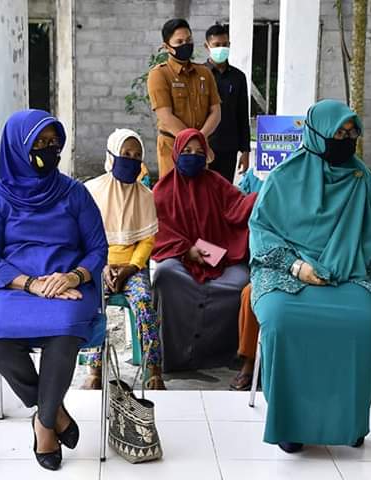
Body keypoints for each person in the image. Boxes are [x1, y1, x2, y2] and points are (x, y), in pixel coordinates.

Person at [249, 100, 371, 453]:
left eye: (351, 133)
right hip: (288, 273)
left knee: (368, 320)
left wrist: (350, 256)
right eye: (337, 133)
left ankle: (348, 420)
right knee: (281, 320)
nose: (345, 140)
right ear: (316, 134)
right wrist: (297, 266)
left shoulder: (362, 180)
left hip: (348, 274)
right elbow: (261, 230)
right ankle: (289, 424)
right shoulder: (284, 177)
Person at [0, 110, 108, 471]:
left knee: (64, 331)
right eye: (40, 143)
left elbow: (98, 248)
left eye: (54, 143)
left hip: (67, 286)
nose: (49, 150)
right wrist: (32, 284)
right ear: (18, 148)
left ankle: (44, 425)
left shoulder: (74, 193)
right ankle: (53, 411)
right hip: (15, 286)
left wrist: (75, 276)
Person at [151, 128, 257, 372]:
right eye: (187, 151)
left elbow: (238, 206)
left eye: (199, 152)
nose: (193, 156)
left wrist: (263, 194)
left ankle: (224, 356)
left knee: (242, 283)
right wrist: (185, 250)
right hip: (180, 258)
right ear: (176, 153)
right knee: (165, 274)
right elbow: (157, 230)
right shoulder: (162, 190)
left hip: (219, 256)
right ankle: (173, 355)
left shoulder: (216, 182)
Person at [83, 128, 166, 390]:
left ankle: (153, 369)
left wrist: (130, 268)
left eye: (137, 155)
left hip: (133, 267)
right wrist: (103, 267)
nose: (131, 160)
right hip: (98, 265)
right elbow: (84, 238)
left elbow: (147, 240)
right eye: (125, 154)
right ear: (111, 155)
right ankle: (94, 370)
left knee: (143, 302)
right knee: (92, 303)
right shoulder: (91, 191)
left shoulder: (145, 195)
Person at [147, 18, 221, 177]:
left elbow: (216, 111)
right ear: (167, 47)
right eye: (179, 42)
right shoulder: (159, 74)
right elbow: (165, 116)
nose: (185, 45)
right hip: (172, 147)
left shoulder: (204, 73)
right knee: (174, 190)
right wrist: (196, 141)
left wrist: (200, 140)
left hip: (199, 150)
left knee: (199, 190)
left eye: (188, 40)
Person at [230, 168, 267, 390]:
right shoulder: (257, 174)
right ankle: (249, 362)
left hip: (316, 265)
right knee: (249, 293)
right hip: (278, 263)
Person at [204, 23, 251, 183]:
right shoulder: (199, 75)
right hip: (204, 145)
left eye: (224, 44)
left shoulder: (238, 77)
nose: (221, 48)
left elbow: (242, 114)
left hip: (229, 148)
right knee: (202, 191)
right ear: (207, 46)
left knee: (224, 191)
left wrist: (245, 151)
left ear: (229, 45)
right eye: (216, 45)